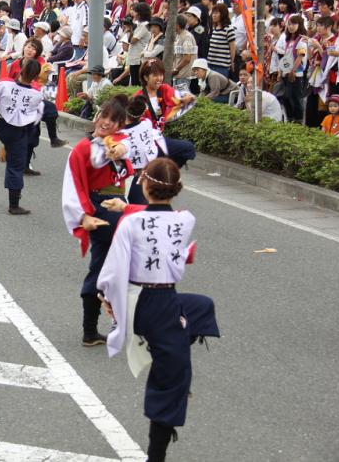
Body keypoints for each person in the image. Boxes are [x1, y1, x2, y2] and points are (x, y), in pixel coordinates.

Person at [97, 157, 219, 462]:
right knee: (172, 376)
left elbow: (113, 270)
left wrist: (108, 298)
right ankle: (156, 455)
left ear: (143, 184)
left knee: (201, 307)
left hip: (143, 300)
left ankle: (169, 352)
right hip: (160, 303)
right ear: (178, 188)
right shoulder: (185, 219)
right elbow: (163, 219)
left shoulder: (131, 223)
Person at [62, 98, 133, 346]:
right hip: (101, 209)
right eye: (104, 116)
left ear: (120, 125)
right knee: (130, 257)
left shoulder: (120, 143)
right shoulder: (84, 149)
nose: (106, 122)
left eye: (113, 120)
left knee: (102, 266)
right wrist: (83, 216)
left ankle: (91, 330)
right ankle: (120, 318)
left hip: (118, 206)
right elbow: (72, 186)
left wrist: (121, 149)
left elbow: (131, 150)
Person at [0, 59, 45, 215]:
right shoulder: (37, 95)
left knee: (14, 146)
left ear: (20, 69)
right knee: (15, 166)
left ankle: (6, 146)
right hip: (19, 130)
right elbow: (37, 115)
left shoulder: (3, 85)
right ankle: (14, 204)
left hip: (1, 126)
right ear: (35, 77)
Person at [134, 60, 197, 167]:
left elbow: (176, 98)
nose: (159, 78)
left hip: (159, 139)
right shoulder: (138, 98)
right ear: (145, 78)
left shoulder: (164, 89)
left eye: (161, 74)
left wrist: (185, 99)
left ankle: (169, 172)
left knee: (188, 148)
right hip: (146, 142)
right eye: (155, 75)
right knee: (143, 176)